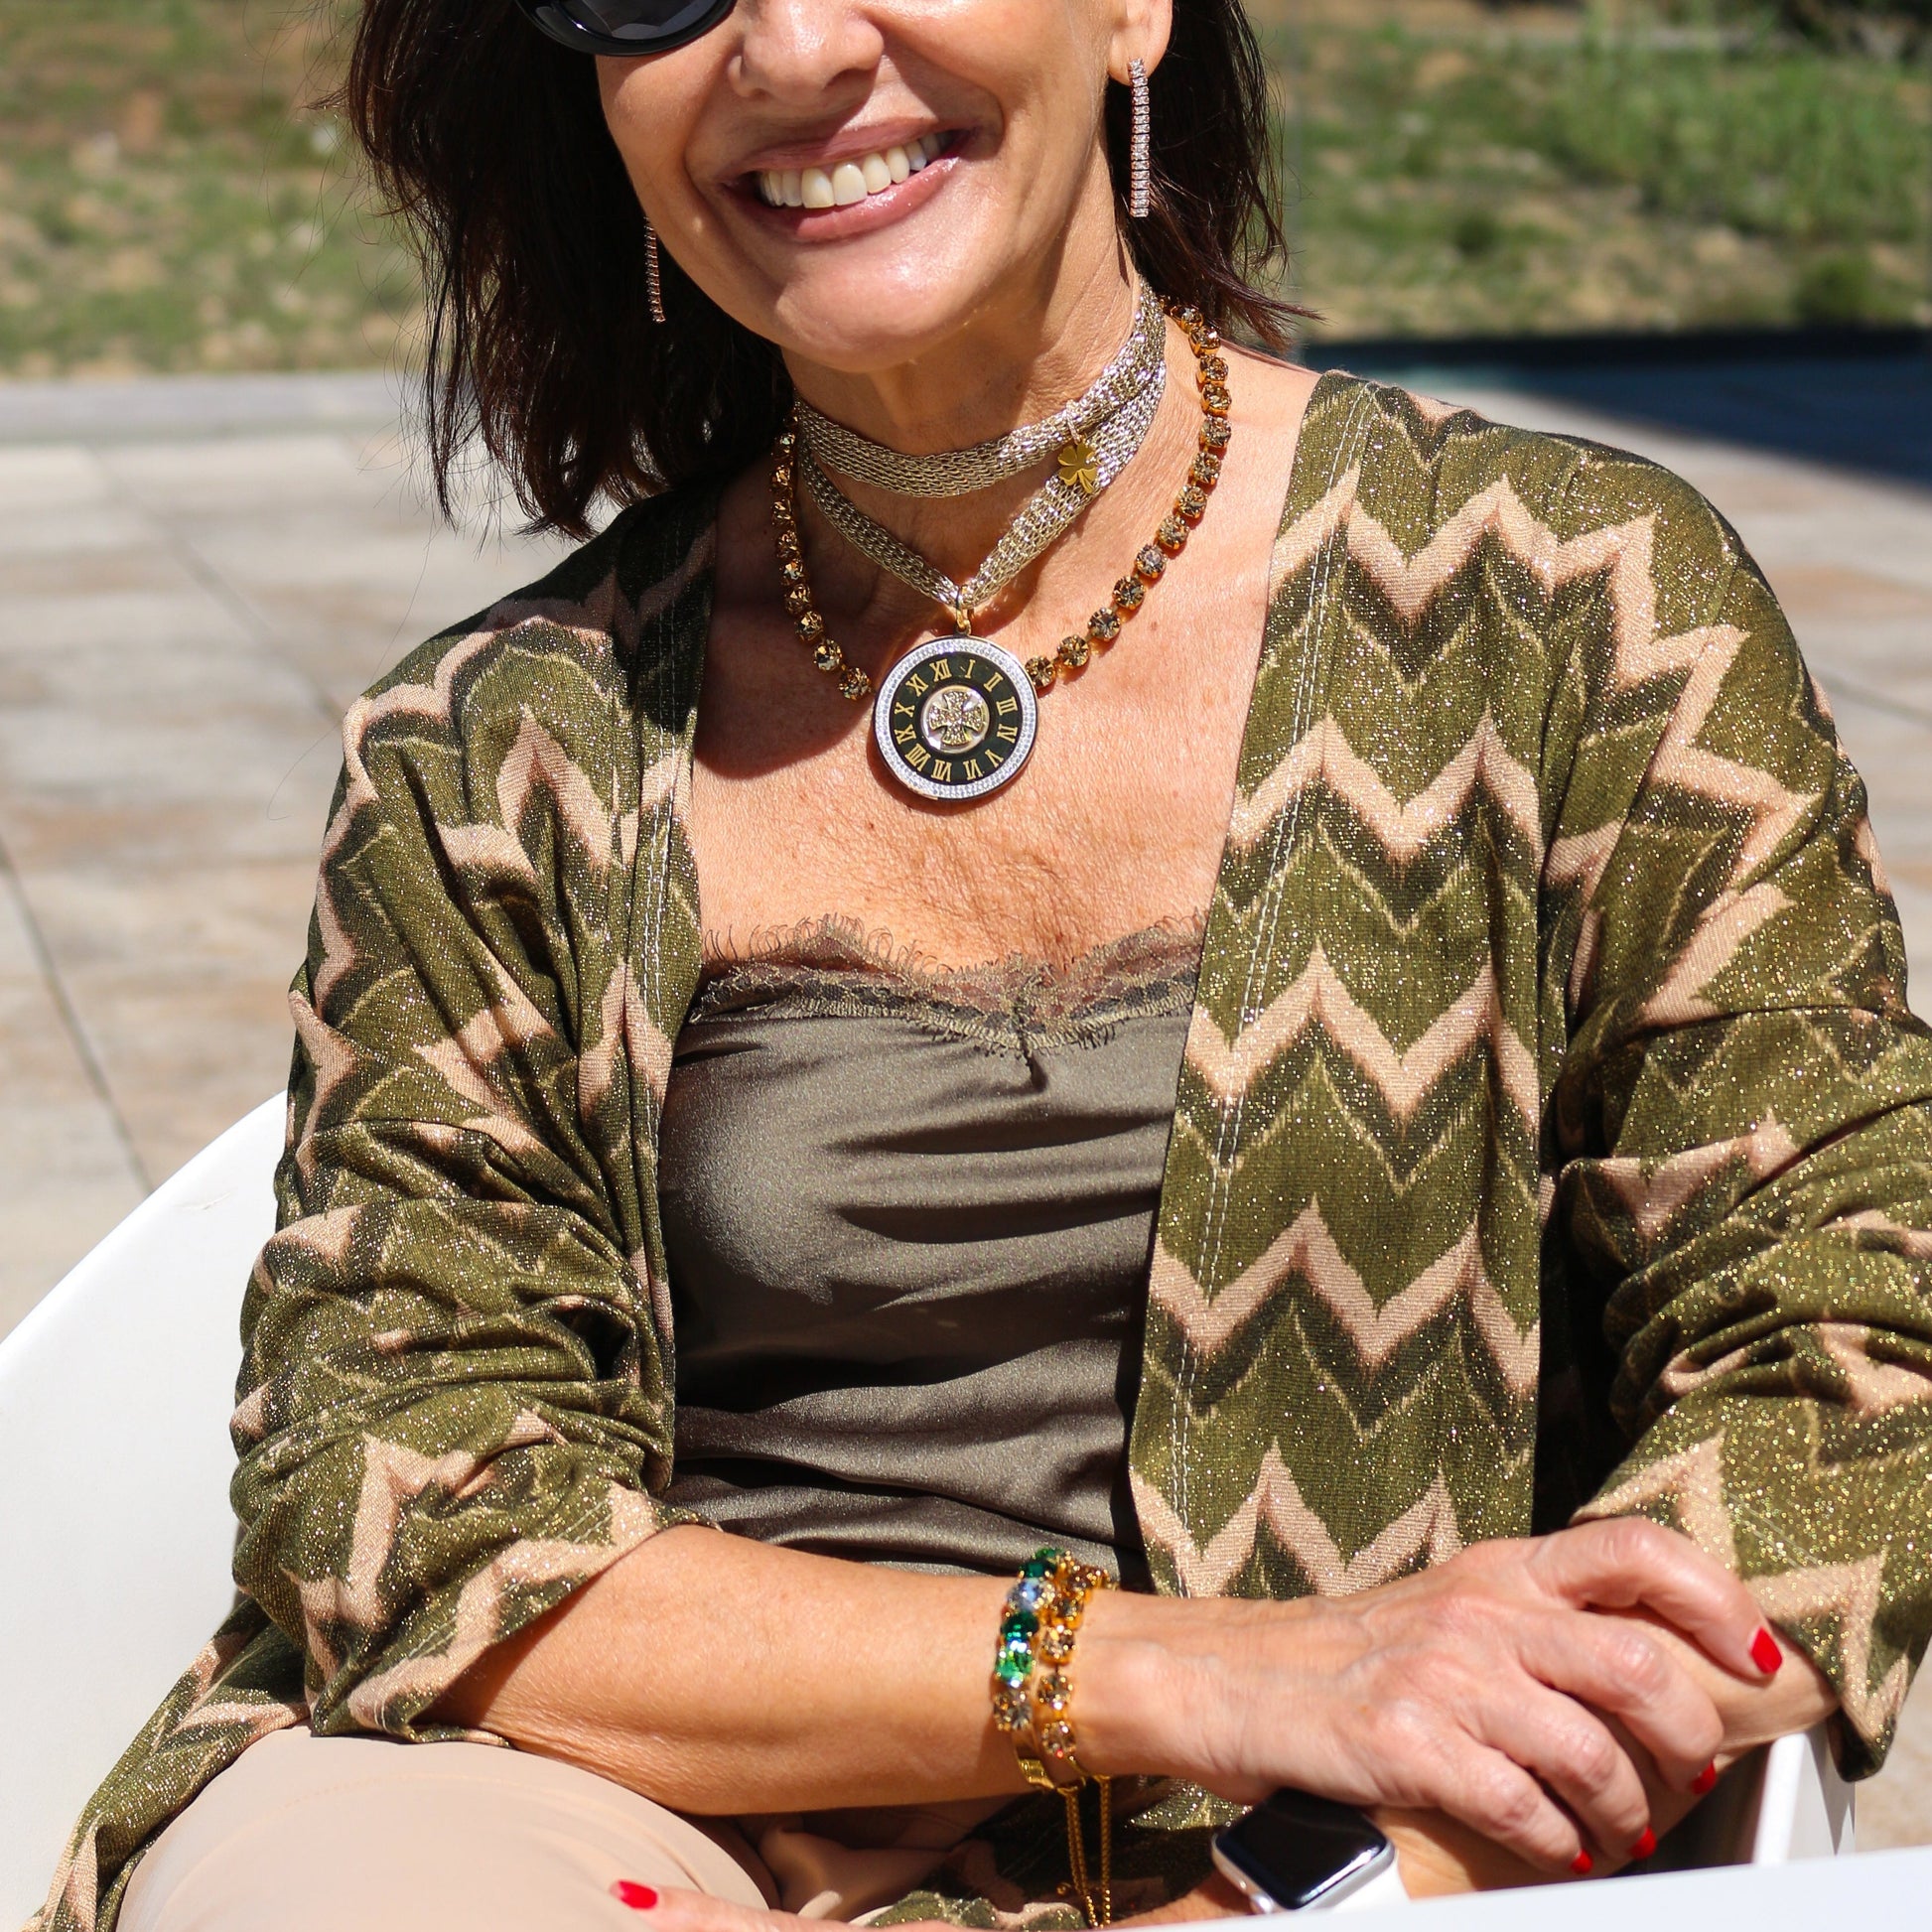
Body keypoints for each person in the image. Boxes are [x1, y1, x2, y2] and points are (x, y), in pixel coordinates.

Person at [32, 1, 1932, 1928]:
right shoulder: (493, 749)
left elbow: (1853, 1363)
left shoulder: (1578, 606)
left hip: (1321, 1859)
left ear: (1131, 9)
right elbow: (407, 1520)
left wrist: (1343, 1866)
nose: (787, 47)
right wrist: (1180, 1670)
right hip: (616, 1810)